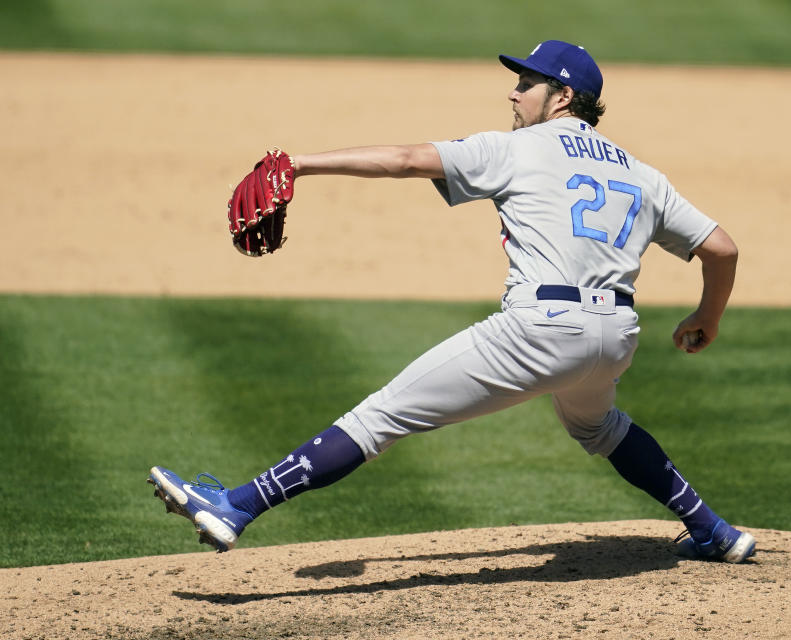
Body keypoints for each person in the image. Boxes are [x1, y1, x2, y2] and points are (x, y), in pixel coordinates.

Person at [149, 40, 755, 563]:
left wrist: (301, 164)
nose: (514, 95)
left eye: (526, 83)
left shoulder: (518, 148)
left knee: (380, 417)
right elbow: (722, 249)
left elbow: (409, 160)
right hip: (616, 336)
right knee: (600, 426)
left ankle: (234, 506)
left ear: (562, 97)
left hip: (539, 328)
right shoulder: (642, 173)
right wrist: (708, 317)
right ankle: (713, 530)